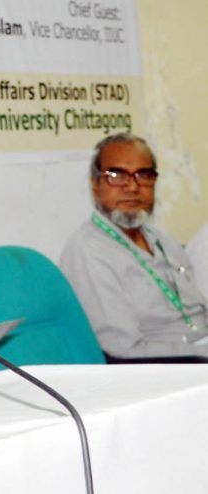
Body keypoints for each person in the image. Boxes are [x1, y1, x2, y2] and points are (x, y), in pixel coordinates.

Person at [60, 133, 208, 359]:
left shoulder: (161, 239)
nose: (132, 186)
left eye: (143, 175)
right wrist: (199, 353)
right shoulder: (89, 251)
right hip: (161, 369)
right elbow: (123, 350)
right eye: (116, 175)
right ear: (95, 184)